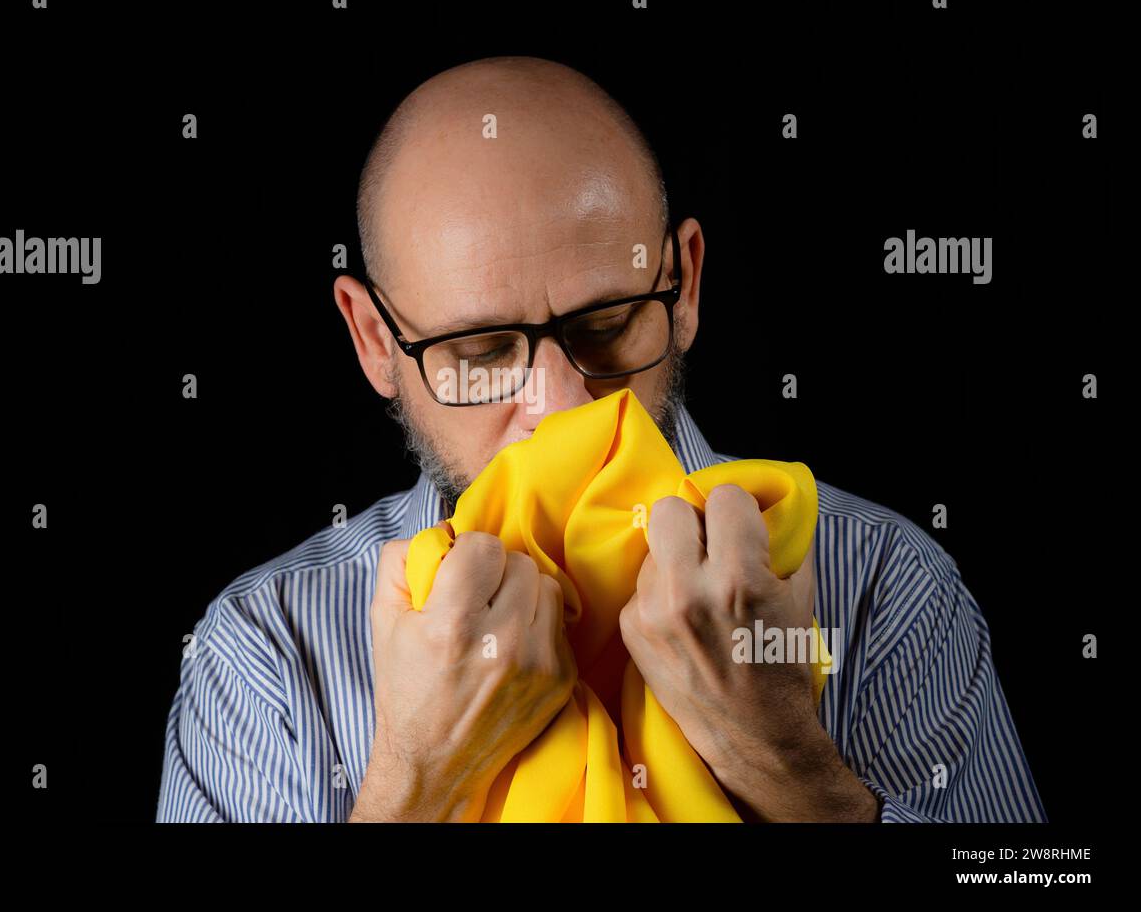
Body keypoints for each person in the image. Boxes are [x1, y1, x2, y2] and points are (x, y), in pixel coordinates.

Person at [156, 56, 1045, 823]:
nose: (562, 402)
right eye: (481, 350)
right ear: (374, 342)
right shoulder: (265, 651)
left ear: (685, 285)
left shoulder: (885, 587)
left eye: (607, 324)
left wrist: (792, 765)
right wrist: (414, 783)